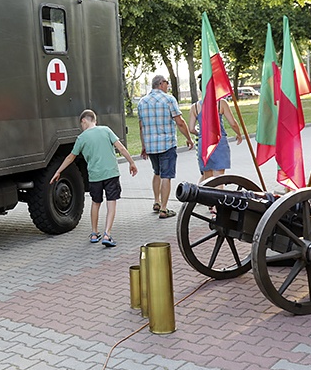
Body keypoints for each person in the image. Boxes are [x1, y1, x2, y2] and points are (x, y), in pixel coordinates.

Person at [50, 109, 137, 247]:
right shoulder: (106, 130)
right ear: (94, 120)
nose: (82, 127)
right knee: (111, 202)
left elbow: (70, 157)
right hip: (111, 174)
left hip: (95, 177)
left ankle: (94, 233)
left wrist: (58, 171)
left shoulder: (82, 138)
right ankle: (107, 234)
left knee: (96, 203)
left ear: (84, 120)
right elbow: (120, 148)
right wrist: (132, 163)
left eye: (81, 124)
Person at [136, 74, 194, 219]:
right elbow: (180, 122)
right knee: (166, 176)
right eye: (167, 83)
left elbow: (141, 127)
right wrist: (189, 138)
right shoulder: (169, 99)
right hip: (167, 144)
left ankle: (156, 201)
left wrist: (144, 146)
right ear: (161, 83)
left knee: (157, 172)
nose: (168, 86)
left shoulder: (142, 102)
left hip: (150, 146)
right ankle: (163, 209)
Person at [189, 97, 243, 181]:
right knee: (219, 178)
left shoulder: (195, 107)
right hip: (218, 141)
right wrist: (239, 134)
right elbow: (233, 123)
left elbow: (191, 129)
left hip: (203, 142)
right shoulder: (221, 103)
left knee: (207, 178)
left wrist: (200, 134)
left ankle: (202, 193)